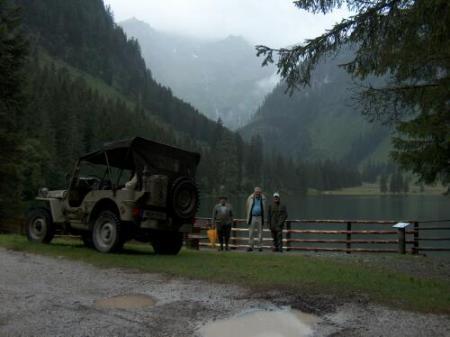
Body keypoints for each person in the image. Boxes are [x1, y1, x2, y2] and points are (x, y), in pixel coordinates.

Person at [246, 186, 267, 252]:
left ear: (261, 192)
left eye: (259, 192)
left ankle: (260, 247)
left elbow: (265, 207)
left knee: (260, 232)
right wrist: (248, 216)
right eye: (256, 192)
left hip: (260, 217)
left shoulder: (263, 198)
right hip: (252, 217)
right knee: (251, 232)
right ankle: (250, 246)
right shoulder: (250, 197)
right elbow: (247, 206)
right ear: (254, 192)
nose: (257, 193)